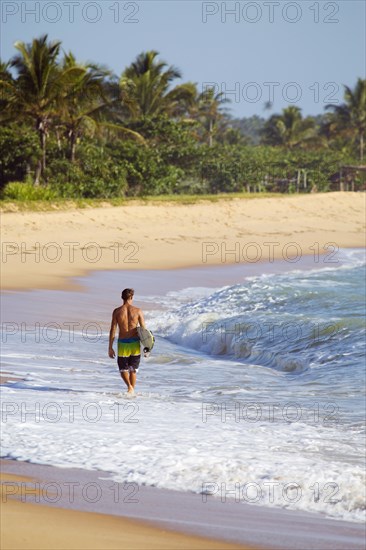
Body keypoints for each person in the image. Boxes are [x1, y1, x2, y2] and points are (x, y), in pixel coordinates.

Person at [108, 288, 145, 394]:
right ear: (131, 297)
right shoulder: (138, 311)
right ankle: (131, 390)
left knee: (123, 369)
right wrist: (147, 347)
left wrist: (110, 347)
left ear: (122, 297)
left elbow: (113, 329)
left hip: (123, 343)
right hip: (135, 343)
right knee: (133, 369)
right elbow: (144, 331)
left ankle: (130, 387)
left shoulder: (117, 311)